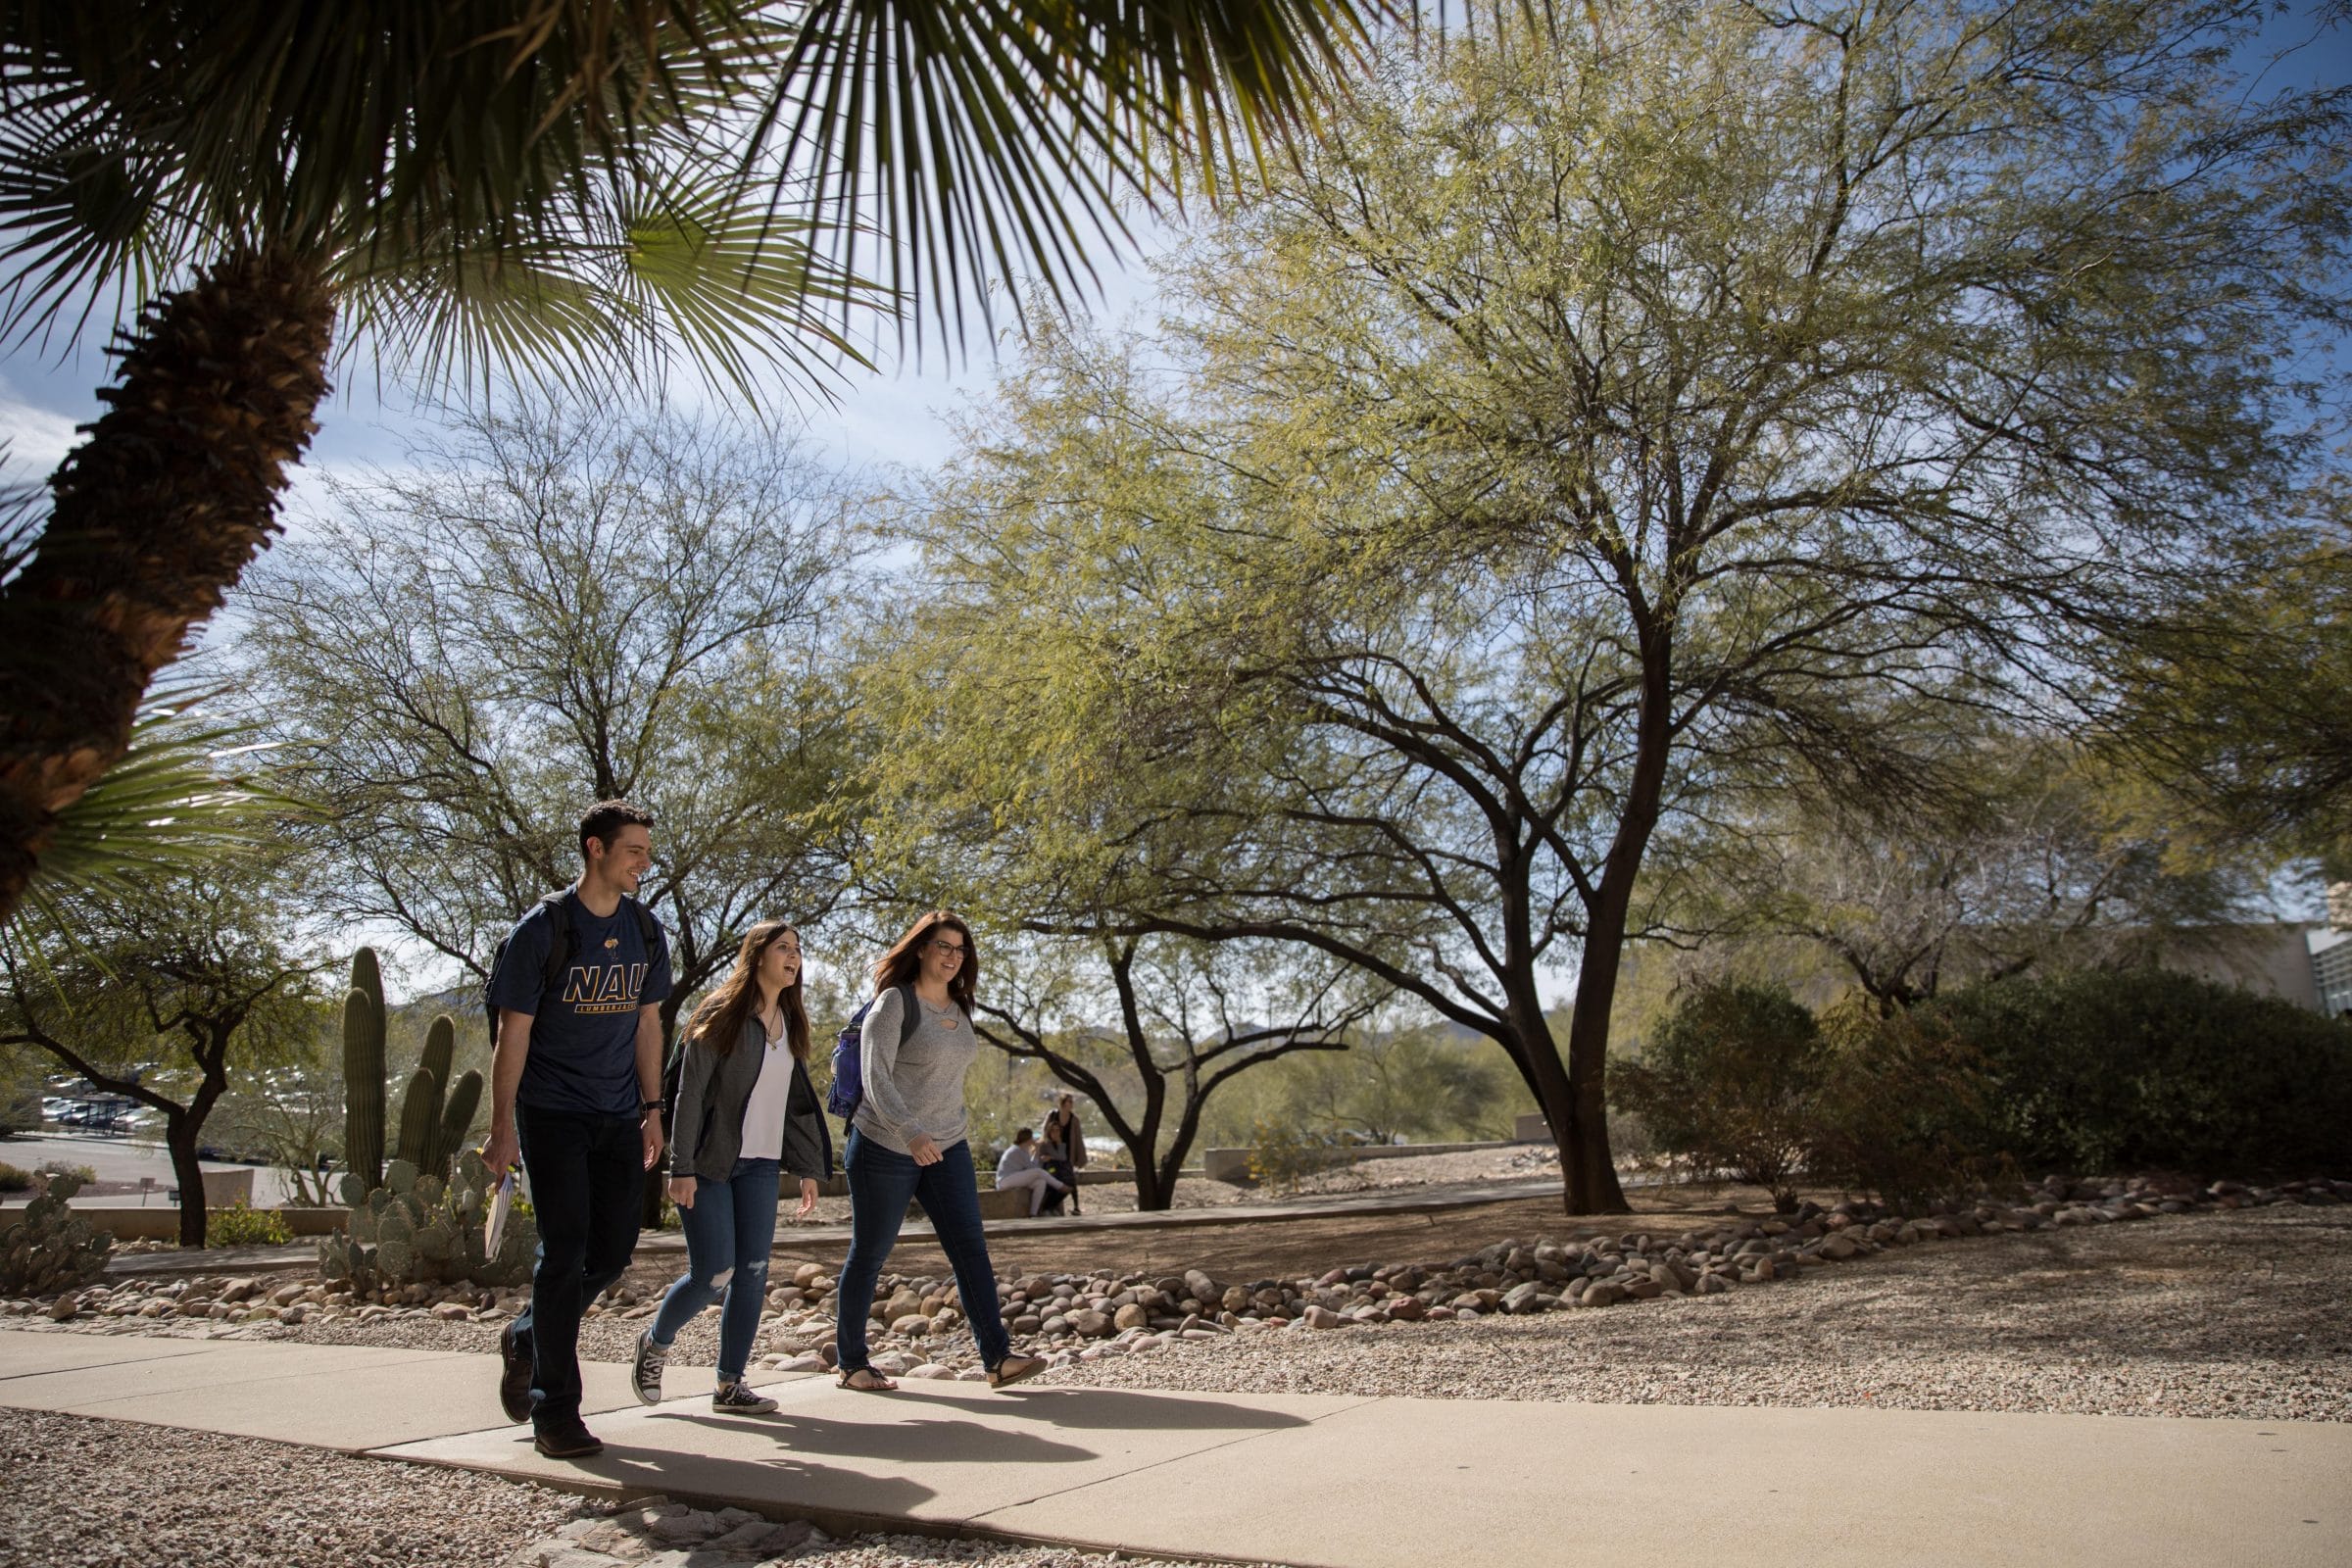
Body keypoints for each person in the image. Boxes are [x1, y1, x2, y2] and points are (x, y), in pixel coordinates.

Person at [482, 801, 672, 1460]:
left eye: (647, 851)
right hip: (553, 1111)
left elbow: (649, 1025)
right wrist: (500, 1129)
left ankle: (531, 1334)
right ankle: (554, 1412)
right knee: (562, 1254)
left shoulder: (646, 932)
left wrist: (653, 1109)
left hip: (619, 1113)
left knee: (613, 1253)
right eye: (634, 851)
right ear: (596, 849)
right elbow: (514, 1033)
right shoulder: (544, 929)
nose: (644, 862)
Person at [833, 910, 1048, 1393]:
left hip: (948, 1146)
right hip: (886, 1145)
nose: (953, 956)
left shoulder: (959, 1006)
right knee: (869, 1254)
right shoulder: (894, 1002)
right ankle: (852, 1364)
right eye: (943, 946)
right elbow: (874, 1075)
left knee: (970, 1250)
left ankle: (998, 1359)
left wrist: (947, 1128)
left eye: (960, 949)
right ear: (922, 950)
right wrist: (911, 1131)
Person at [632, 919, 829, 1415]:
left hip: (762, 1166)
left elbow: (792, 1103)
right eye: (783, 947)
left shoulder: (791, 1021)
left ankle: (729, 1386)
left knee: (753, 1272)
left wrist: (807, 1166)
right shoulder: (718, 1013)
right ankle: (655, 1344)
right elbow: (689, 1093)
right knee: (715, 1271)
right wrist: (681, 1167)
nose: (793, 957)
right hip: (711, 1163)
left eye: (798, 950)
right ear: (757, 954)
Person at [994, 1128, 1069, 1217]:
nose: (1033, 1140)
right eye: (1031, 1138)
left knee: (1040, 1182)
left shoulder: (1022, 1150)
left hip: (1012, 1178)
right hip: (1005, 1180)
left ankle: (1033, 1213)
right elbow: (1034, 1168)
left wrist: (1037, 1149)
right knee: (1038, 1172)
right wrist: (1037, 1149)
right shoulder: (1017, 1150)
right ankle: (1060, 1186)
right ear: (1028, 1139)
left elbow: (1032, 1165)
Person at [1040, 1093, 1086, 1216]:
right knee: (1055, 1178)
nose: (1071, 1104)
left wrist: (1080, 1158)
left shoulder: (1074, 1119)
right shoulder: (1053, 1115)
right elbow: (1044, 1131)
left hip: (1067, 1152)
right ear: (1062, 1103)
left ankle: (1076, 1206)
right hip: (1051, 1150)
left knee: (1070, 1177)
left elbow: (1078, 1139)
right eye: (1069, 1102)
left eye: (1072, 1102)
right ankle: (1048, 1207)